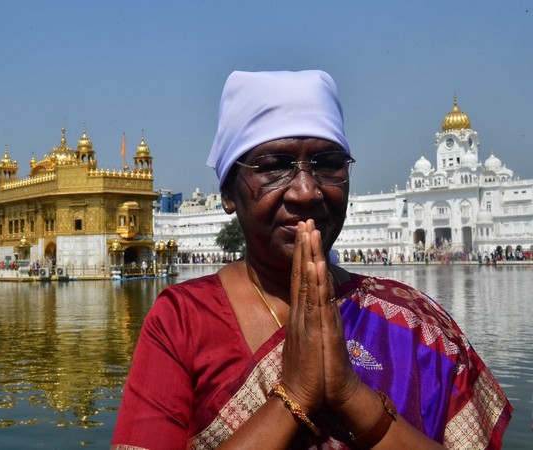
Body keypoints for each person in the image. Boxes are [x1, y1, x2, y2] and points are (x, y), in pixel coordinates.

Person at [112, 70, 512, 449]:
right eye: (274, 167)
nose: (306, 192)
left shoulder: (415, 323)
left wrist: (351, 395)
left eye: (327, 164)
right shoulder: (183, 323)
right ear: (229, 194)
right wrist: (296, 395)